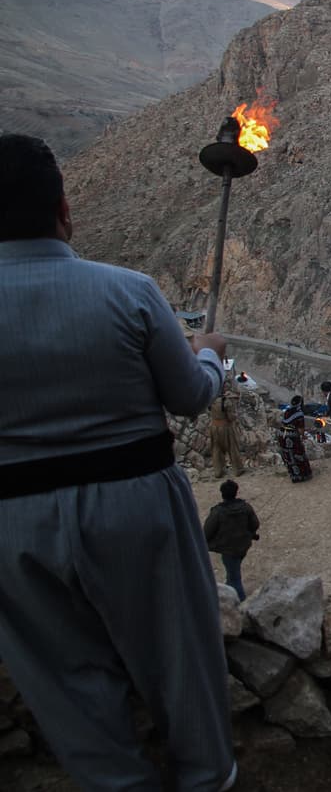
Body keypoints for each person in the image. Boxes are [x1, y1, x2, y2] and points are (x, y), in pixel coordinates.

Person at [0, 134, 236, 789]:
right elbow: (190, 397)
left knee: (65, 678)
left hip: (15, 521)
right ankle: (207, 776)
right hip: (133, 502)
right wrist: (210, 351)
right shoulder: (128, 292)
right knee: (178, 656)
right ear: (64, 210)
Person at [203, 479, 261, 601]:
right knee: (233, 572)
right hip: (243, 545)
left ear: (222, 494)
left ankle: (241, 603)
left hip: (228, 549)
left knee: (235, 577)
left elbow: (207, 532)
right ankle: (229, 591)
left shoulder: (218, 512)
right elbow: (255, 524)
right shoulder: (245, 507)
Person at [209, 378, 245, 478]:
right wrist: (236, 415)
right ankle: (238, 469)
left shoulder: (212, 399)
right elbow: (231, 417)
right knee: (233, 447)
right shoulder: (227, 401)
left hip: (214, 426)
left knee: (216, 449)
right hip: (226, 427)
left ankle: (218, 471)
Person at [278, 395, 313, 483]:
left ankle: (294, 475)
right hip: (292, 437)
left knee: (288, 456)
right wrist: (304, 435)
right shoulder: (299, 414)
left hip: (282, 435)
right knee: (298, 454)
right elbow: (300, 429)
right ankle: (303, 475)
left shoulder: (287, 411)